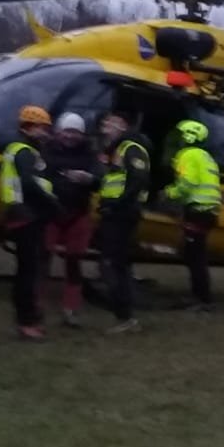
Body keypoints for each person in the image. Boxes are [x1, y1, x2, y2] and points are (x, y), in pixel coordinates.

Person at [0, 106, 61, 340]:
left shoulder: (20, 148)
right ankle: (26, 321)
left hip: (22, 214)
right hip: (26, 215)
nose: (46, 132)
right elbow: (29, 183)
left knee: (27, 269)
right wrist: (51, 205)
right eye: (43, 128)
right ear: (31, 127)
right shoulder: (24, 151)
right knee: (28, 271)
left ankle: (27, 318)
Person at [42, 112, 103, 327]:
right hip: (50, 213)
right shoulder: (46, 150)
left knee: (74, 263)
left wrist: (89, 179)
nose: (70, 136)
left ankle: (71, 309)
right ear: (59, 132)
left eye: (75, 132)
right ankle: (34, 305)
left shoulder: (90, 154)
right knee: (41, 260)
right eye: (67, 131)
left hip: (78, 214)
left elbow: (99, 178)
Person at [95, 110, 151, 334]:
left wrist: (116, 204)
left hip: (122, 214)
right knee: (113, 262)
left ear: (124, 127)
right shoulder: (115, 151)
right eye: (105, 121)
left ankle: (125, 314)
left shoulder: (131, 148)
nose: (106, 124)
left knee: (112, 263)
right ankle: (123, 312)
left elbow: (137, 180)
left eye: (113, 122)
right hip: (114, 213)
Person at [164, 120, 222, 311]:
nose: (178, 139)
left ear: (188, 136)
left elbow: (188, 182)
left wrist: (169, 193)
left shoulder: (188, 155)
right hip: (209, 211)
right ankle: (201, 296)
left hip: (198, 210)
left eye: (180, 135)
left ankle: (202, 298)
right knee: (195, 254)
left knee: (195, 256)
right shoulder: (206, 156)